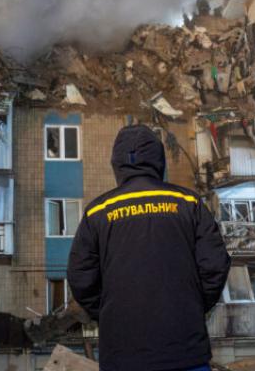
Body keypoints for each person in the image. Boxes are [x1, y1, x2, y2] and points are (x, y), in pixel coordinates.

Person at [68, 125, 232, 371]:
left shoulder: (97, 211)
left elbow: (81, 277)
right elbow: (215, 265)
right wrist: (193, 306)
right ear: (158, 160)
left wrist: (110, 312)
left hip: (122, 355)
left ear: (117, 163)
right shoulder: (189, 203)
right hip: (185, 352)